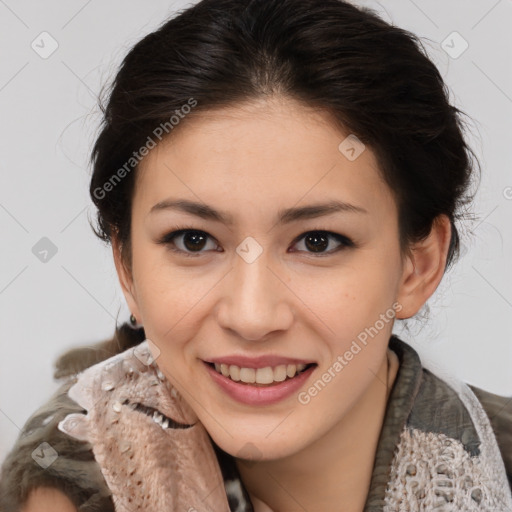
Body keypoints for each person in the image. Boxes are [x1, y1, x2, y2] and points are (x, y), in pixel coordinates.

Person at [1, 0, 511, 510]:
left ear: (416, 267)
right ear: (127, 269)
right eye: (193, 240)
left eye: (318, 241)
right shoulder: (61, 487)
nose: (252, 317)